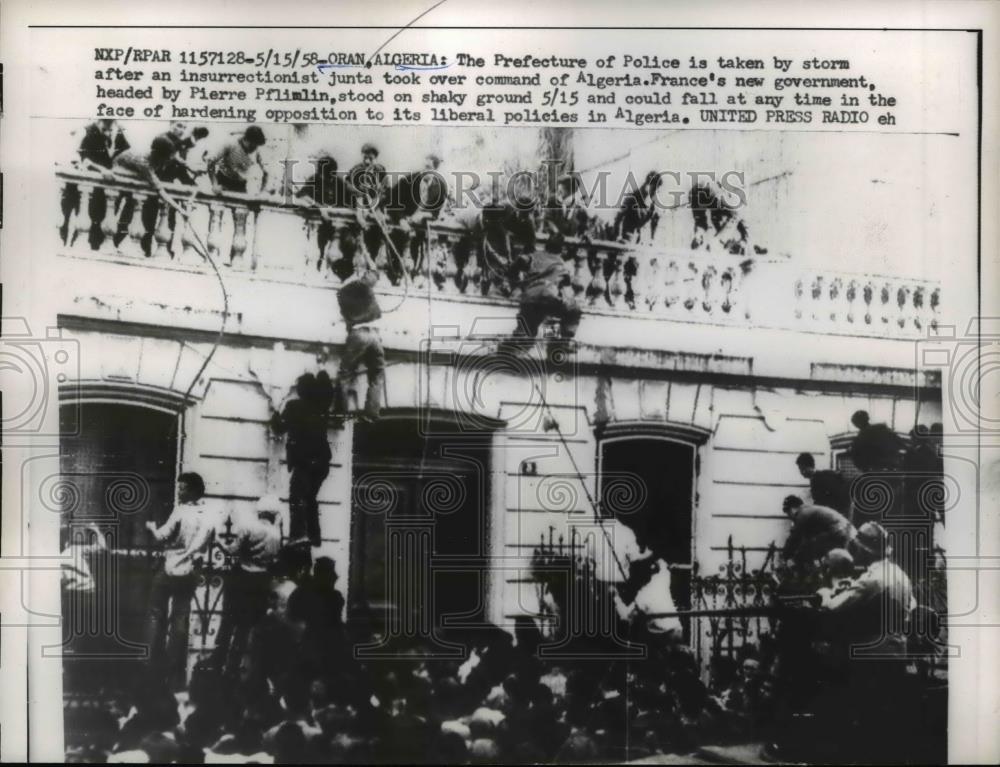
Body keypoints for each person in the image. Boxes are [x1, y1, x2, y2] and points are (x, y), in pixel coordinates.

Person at [144, 472, 221, 689]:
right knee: (180, 618)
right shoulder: (209, 514)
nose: (179, 491)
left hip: (168, 567)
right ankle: (173, 670)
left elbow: (162, 536)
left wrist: (151, 527)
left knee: (155, 614)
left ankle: (150, 665)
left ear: (194, 491)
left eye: (183, 488)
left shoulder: (181, 511)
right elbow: (208, 540)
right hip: (189, 571)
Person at [213, 494, 283, 677]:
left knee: (228, 622)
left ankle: (218, 664)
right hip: (261, 582)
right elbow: (275, 557)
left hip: (242, 578)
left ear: (260, 510)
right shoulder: (276, 533)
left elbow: (232, 550)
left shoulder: (248, 526)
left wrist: (218, 541)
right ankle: (233, 669)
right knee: (245, 629)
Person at [270, 373, 334, 547]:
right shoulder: (322, 406)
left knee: (297, 497)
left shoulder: (294, 406)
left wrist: (275, 412)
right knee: (310, 498)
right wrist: (321, 370)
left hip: (304, 462)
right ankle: (314, 536)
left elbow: (278, 428)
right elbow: (327, 387)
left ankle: (298, 536)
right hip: (321, 463)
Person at [497, 230, 582, 355]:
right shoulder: (562, 265)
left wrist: (512, 276)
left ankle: (515, 342)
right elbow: (567, 291)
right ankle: (562, 341)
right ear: (560, 250)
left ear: (546, 247)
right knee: (572, 312)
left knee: (527, 328)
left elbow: (521, 260)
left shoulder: (534, 256)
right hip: (549, 298)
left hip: (530, 298)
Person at [332, 254, 386, 425]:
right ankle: (371, 413)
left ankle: (339, 416)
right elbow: (375, 271)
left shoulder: (341, 293)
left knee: (345, 375)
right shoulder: (362, 284)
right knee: (377, 373)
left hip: (357, 334)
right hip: (375, 334)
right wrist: (364, 249)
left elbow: (347, 320)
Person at [62, 119, 131, 248]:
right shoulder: (89, 132)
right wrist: (102, 169)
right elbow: (84, 158)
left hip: (103, 187)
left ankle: (94, 247)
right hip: (82, 184)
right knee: (73, 218)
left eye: (111, 127)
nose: (109, 131)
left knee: (98, 219)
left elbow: (126, 154)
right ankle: (69, 246)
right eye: (106, 127)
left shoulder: (118, 133)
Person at [781, 494, 856, 569]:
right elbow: (807, 538)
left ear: (792, 509)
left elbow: (794, 538)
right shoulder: (810, 510)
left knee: (809, 550)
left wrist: (785, 557)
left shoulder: (803, 514)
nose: (789, 517)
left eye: (788, 513)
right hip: (847, 532)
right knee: (810, 548)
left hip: (839, 532)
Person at [208, 125, 268, 194]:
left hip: (241, 185)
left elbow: (266, 172)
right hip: (223, 181)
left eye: (255, 147)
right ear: (245, 139)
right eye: (251, 146)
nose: (253, 149)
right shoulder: (230, 143)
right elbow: (210, 162)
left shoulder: (257, 150)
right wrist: (214, 184)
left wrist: (262, 191)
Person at [794, 452, 851, 517]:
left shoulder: (820, 478)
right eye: (800, 469)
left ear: (809, 467)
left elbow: (824, 500)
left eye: (802, 469)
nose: (801, 472)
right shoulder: (817, 478)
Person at [614, 170, 662, 243]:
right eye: (654, 189)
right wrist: (618, 236)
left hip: (642, 240)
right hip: (626, 238)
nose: (656, 192)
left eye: (657, 189)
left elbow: (655, 220)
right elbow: (619, 217)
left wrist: (652, 239)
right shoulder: (632, 197)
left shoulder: (653, 203)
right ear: (648, 184)